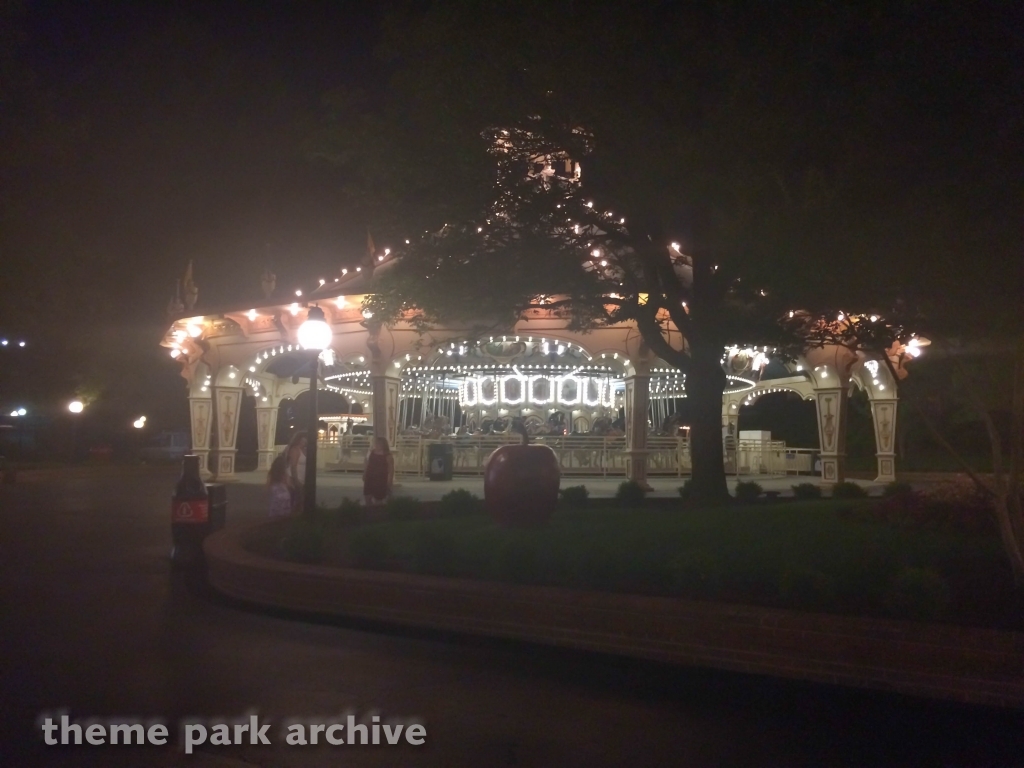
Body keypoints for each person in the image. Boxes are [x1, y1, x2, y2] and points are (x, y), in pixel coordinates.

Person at [363, 436, 394, 505]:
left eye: (378, 444)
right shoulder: (371, 453)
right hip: (370, 477)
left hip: (381, 478)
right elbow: (366, 463)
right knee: (367, 495)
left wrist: (389, 481)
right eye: (375, 443)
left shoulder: (388, 456)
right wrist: (364, 473)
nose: (376, 445)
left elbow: (391, 469)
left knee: (379, 498)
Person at [285, 431, 307, 514]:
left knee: (300, 501)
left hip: (302, 479)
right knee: (296, 500)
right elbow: (293, 466)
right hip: (294, 479)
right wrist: (296, 480)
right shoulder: (295, 450)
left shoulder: (303, 450)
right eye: (303, 440)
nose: (305, 442)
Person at [267, 453, 292, 518]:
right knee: (284, 513)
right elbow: (288, 483)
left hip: (275, 496)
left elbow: (268, 485)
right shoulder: (285, 473)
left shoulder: (272, 474)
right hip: (284, 495)